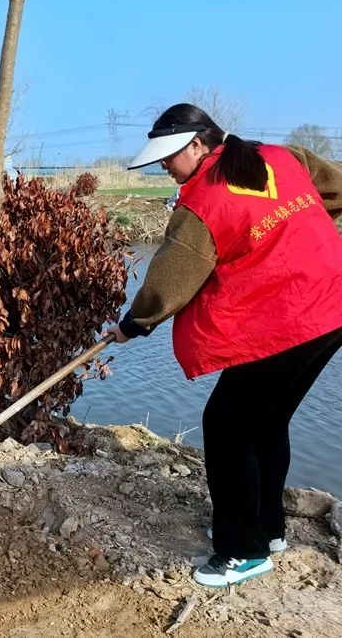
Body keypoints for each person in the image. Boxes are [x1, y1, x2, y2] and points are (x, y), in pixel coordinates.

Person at [106, 103, 342, 588]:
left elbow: (169, 281)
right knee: (267, 421)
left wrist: (133, 324)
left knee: (227, 427)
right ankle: (267, 529)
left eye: (169, 155)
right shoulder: (281, 156)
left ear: (198, 145)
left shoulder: (202, 202)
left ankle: (242, 551)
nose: (164, 166)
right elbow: (335, 188)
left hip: (290, 320)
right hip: (332, 305)